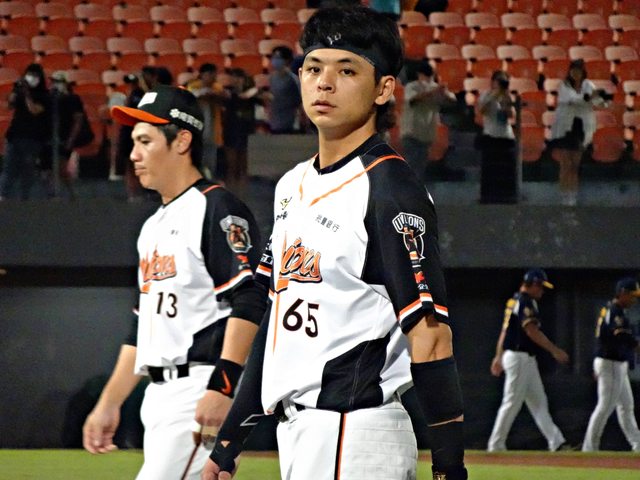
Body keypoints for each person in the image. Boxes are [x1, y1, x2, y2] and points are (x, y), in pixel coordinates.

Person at [203, 6, 467, 480]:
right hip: (302, 432)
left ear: (383, 89)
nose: (324, 83)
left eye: (347, 71)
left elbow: (430, 337)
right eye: (313, 68)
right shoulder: (292, 184)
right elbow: (278, 323)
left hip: (356, 431)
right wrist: (229, 441)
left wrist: (449, 468)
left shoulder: (390, 187)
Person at [82, 85, 265, 480]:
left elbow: (251, 297)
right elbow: (141, 327)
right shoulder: (152, 226)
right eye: (134, 142)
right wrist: (109, 403)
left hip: (197, 389)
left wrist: (223, 385)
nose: (133, 154)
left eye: (145, 141)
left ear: (182, 141)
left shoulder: (216, 206)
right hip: (159, 394)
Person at [487, 268, 570, 452]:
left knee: (539, 402)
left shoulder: (514, 300)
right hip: (519, 358)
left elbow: (505, 330)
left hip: (523, 358)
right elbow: (531, 330)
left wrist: (499, 356)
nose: (542, 291)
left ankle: (556, 442)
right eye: (541, 287)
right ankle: (495, 444)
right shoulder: (525, 301)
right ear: (533, 284)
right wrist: (554, 350)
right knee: (511, 402)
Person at [582, 277, 640, 452]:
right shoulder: (615, 311)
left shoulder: (613, 309)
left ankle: (638, 444)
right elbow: (621, 336)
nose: (634, 299)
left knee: (626, 406)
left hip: (614, 364)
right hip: (611, 363)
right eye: (632, 295)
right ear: (622, 293)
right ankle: (589, 448)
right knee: (605, 406)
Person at [549, 59, 609, 206]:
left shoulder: (588, 85)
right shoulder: (564, 85)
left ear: (583, 72)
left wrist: (601, 98)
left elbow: (599, 102)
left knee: (575, 165)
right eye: (573, 70)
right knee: (565, 163)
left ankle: (572, 196)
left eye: (578, 71)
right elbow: (572, 99)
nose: (575, 73)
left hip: (581, 128)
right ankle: (564, 196)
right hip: (565, 127)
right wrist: (589, 97)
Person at [0, 63, 50, 200]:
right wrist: (16, 90)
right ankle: (3, 195)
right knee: (8, 168)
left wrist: (27, 94)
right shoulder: (20, 92)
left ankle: (24, 198)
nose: (32, 78)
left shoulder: (44, 95)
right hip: (14, 135)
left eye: (35, 75)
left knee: (27, 170)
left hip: (32, 138)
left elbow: (34, 110)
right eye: (30, 74)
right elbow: (9, 106)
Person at [400, 59, 455, 179]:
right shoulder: (412, 86)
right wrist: (433, 91)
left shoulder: (436, 88)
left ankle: (414, 189)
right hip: (411, 132)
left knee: (420, 168)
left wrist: (443, 92)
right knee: (412, 166)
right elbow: (413, 100)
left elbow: (452, 100)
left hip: (426, 134)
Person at [45, 70, 91, 199]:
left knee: (61, 166)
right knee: (47, 168)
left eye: (58, 82)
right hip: (50, 137)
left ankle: (71, 193)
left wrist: (71, 139)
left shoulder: (73, 99)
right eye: (53, 82)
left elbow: (78, 120)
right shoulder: (50, 99)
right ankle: (52, 194)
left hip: (65, 137)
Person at [476, 70, 518, 204]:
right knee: (490, 169)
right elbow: (481, 110)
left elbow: (511, 115)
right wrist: (494, 96)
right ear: (493, 82)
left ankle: (508, 196)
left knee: (507, 170)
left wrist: (506, 99)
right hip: (491, 135)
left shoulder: (507, 96)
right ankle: (488, 197)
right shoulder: (486, 95)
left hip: (506, 136)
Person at [187, 63, 227, 180]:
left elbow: (223, 96)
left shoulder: (217, 87)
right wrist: (205, 93)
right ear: (202, 74)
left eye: (214, 74)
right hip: (196, 129)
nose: (213, 77)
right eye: (210, 74)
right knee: (196, 158)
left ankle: (209, 181)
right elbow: (193, 96)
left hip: (213, 129)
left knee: (210, 160)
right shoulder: (193, 86)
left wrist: (214, 95)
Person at [267, 45, 302, 134]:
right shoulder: (272, 78)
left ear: (287, 60)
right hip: (274, 120)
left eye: (278, 58)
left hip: (289, 120)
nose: (274, 60)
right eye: (273, 57)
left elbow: (299, 101)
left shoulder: (293, 79)